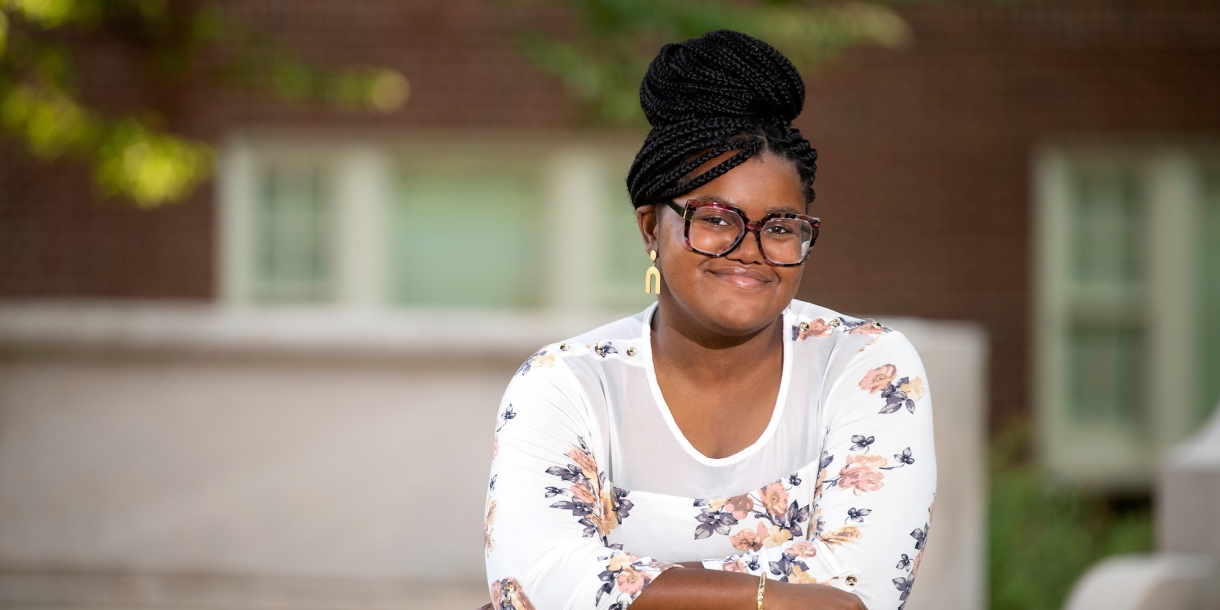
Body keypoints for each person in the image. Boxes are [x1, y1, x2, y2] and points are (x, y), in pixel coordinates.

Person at [483, 30, 935, 610]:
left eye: (779, 227)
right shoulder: (565, 383)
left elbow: (859, 594)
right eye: (717, 219)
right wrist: (780, 598)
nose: (750, 249)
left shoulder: (866, 366)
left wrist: (621, 584)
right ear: (650, 227)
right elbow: (535, 580)